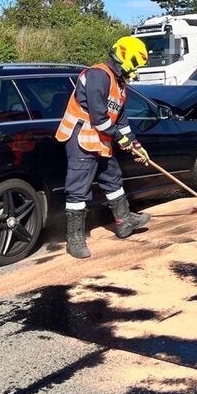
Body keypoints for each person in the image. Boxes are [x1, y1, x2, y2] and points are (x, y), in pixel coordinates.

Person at [56, 35, 153, 259]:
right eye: (137, 64)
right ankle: (75, 240)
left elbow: (120, 120)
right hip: (82, 139)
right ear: (126, 58)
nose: (136, 70)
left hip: (101, 139)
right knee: (78, 189)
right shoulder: (98, 75)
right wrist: (121, 139)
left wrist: (136, 144)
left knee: (113, 179)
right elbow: (99, 117)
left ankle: (124, 221)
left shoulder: (119, 84)